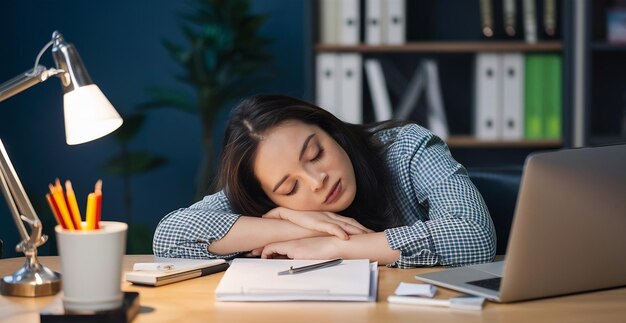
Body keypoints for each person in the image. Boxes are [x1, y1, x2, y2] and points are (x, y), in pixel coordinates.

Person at [153, 94, 496, 268]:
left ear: (331, 131)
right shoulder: (257, 188)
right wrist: (295, 223)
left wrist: (339, 246)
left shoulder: (407, 147)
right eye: (290, 188)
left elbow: (474, 235)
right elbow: (169, 238)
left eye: (315, 154)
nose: (317, 181)